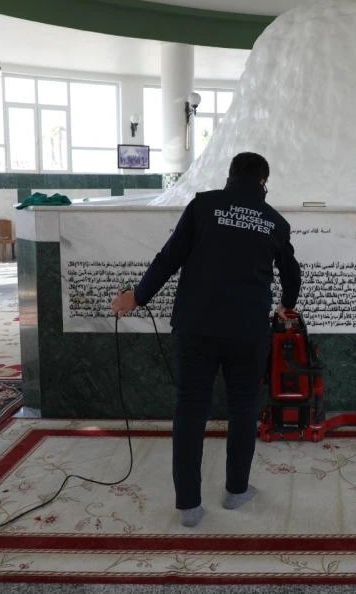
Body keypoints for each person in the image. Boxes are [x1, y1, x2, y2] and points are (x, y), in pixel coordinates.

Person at [111, 152, 301, 528]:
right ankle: (235, 492)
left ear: (229, 176)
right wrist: (286, 307)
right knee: (244, 408)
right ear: (264, 182)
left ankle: (189, 507)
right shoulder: (275, 222)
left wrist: (136, 297)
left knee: (190, 410)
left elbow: (169, 259)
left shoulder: (204, 205)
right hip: (247, 331)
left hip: (195, 326)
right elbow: (292, 272)